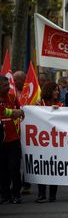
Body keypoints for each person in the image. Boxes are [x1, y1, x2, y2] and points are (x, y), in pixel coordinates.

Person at [35, 81, 63, 203]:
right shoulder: (39, 104)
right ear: (48, 91)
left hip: (56, 142)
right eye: (54, 90)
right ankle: (41, 194)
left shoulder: (60, 105)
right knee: (42, 166)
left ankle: (52, 195)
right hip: (41, 141)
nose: (57, 92)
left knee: (54, 167)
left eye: (58, 90)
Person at [0, 76, 24, 204]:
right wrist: (12, 112)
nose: (8, 87)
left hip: (13, 139)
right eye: (4, 85)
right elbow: (8, 111)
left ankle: (16, 194)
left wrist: (21, 112)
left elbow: (20, 110)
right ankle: (5, 195)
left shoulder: (13, 97)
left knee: (14, 169)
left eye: (8, 84)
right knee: (2, 170)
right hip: (1, 141)